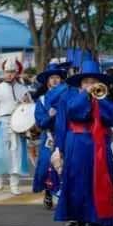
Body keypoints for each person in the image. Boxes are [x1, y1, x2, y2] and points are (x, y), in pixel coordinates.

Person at [53, 60, 113, 226]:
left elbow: (111, 119)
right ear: (80, 84)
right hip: (77, 144)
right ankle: (80, 222)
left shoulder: (105, 99)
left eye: (94, 81)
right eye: (86, 81)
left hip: (99, 146)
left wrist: (99, 101)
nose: (90, 85)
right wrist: (59, 149)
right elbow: (72, 114)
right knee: (78, 185)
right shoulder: (69, 98)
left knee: (101, 184)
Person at [0, 60, 31, 194]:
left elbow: (30, 106)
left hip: (19, 124)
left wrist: (26, 105)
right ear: (3, 72)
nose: (10, 74)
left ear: (16, 73)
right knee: (0, 153)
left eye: (12, 72)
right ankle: (0, 179)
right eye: (7, 72)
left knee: (16, 153)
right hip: (2, 123)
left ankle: (14, 184)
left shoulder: (23, 89)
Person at [32, 63, 68, 210]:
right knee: (46, 166)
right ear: (47, 81)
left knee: (64, 167)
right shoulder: (41, 100)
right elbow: (40, 122)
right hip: (49, 137)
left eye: (57, 77)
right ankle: (48, 191)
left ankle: (64, 197)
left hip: (66, 135)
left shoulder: (67, 96)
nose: (54, 80)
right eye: (51, 78)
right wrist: (50, 116)